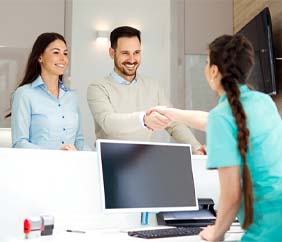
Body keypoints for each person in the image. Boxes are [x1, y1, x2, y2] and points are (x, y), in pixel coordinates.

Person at [149, 34, 282, 241]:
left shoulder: (224, 116)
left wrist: (216, 233)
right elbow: (211, 120)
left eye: (206, 62)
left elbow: (231, 196)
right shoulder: (264, 102)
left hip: (267, 230)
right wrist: (170, 112)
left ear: (213, 71)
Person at [87, 26, 204, 154]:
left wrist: (196, 147)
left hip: (143, 160)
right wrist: (143, 119)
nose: (132, 59)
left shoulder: (153, 86)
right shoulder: (98, 87)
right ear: (111, 53)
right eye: (125, 53)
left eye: (136, 52)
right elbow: (108, 123)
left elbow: (173, 123)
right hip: (109, 161)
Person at [9, 32, 84, 150]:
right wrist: (54, 154)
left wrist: (95, 156)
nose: (63, 58)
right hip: (39, 167)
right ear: (40, 57)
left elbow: (79, 141)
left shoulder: (72, 97)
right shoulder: (24, 94)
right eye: (56, 52)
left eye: (65, 53)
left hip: (70, 167)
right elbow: (19, 143)